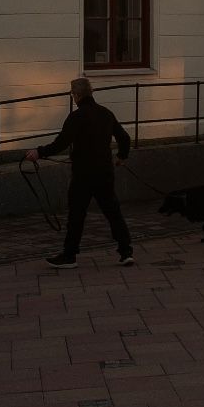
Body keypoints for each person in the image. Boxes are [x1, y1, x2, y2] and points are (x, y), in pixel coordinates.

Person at [27, 77, 134, 269]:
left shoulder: (76, 117)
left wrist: (38, 152)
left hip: (83, 174)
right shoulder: (106, 113)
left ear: (76, 95)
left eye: (72, 94)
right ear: (91, 93)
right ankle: (125, 252)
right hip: (104, 172)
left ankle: (70, 256)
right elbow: (124, 138)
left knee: (76, 215)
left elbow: (60, 143)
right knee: (113, 212)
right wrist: (121, 157)